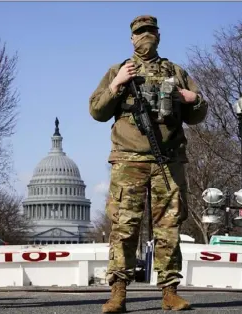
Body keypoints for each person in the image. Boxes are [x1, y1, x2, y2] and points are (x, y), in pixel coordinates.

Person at [89, 15, 208, 313]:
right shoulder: (119, 70)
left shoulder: (176, 71)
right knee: (124, 226)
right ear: (131, 38)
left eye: (150, 31)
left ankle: (170, 291)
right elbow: (96, 110)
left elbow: (197, 114)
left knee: (168, 227)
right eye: (140, 32)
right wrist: (117, 84)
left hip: (168, 159)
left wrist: (193, 99)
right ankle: (118, 292)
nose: (145, 37)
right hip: (129, 160)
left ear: (158, 35)